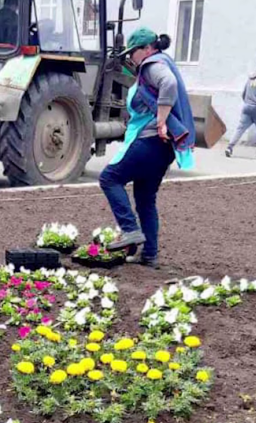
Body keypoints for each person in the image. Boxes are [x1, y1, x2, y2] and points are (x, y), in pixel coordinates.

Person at [100, 27, 195, 269]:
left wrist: (161, 120)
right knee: (145, 199)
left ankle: (130, 230)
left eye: (133, 52)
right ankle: (150, 254)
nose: (131, 58)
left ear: (147, 49)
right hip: (163, 148)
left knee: (110, 178)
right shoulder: (162, 62)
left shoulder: (152, 65)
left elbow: (169, 84)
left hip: (150, 140)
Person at [225, 61, 256, 159]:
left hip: (246, 107)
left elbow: (243, 93)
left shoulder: (250, 78)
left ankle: (229, 147)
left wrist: (247, 102)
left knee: (240, 129)